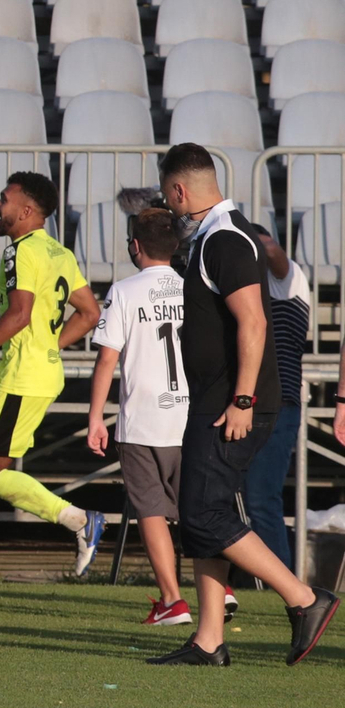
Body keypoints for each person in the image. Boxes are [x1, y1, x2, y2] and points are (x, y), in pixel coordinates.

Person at [147, 143, 337, 666]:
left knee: (202, 512)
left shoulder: (225, 239)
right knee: (204, 513)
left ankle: (304, 599)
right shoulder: (221, 234)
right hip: (216, 399)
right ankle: (209, 641)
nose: (168, 204)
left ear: (180, 191)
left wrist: (243, 400)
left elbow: (253, 321)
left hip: (233, 403)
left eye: (168, 194)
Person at [0, 172, 107, 578]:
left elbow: (19, 313)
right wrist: (49, 346)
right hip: (30, 373)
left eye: (3, 199)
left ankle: (78, 519)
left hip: (20, 379)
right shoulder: (58, 252)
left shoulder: (20, 251)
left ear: (26, 211)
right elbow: (90, 313)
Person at [85, 208, 193, 625]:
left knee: (151, 510)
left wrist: (97, 417)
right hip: (187, 415)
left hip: (143, 418)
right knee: (197, 509)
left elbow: (107, 359)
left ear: (135, 246)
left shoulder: (125, 290)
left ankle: (172, 600)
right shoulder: (192, 290)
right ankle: (220, 587)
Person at [244, 225, 311, 570]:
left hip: (278, 403)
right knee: (238, 500)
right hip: (246, 403)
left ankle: (280, 582)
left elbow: (273, 253)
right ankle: (247, 582)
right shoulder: (246, 287)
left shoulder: (286, 279)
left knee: (260, 498)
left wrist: (241, 236)